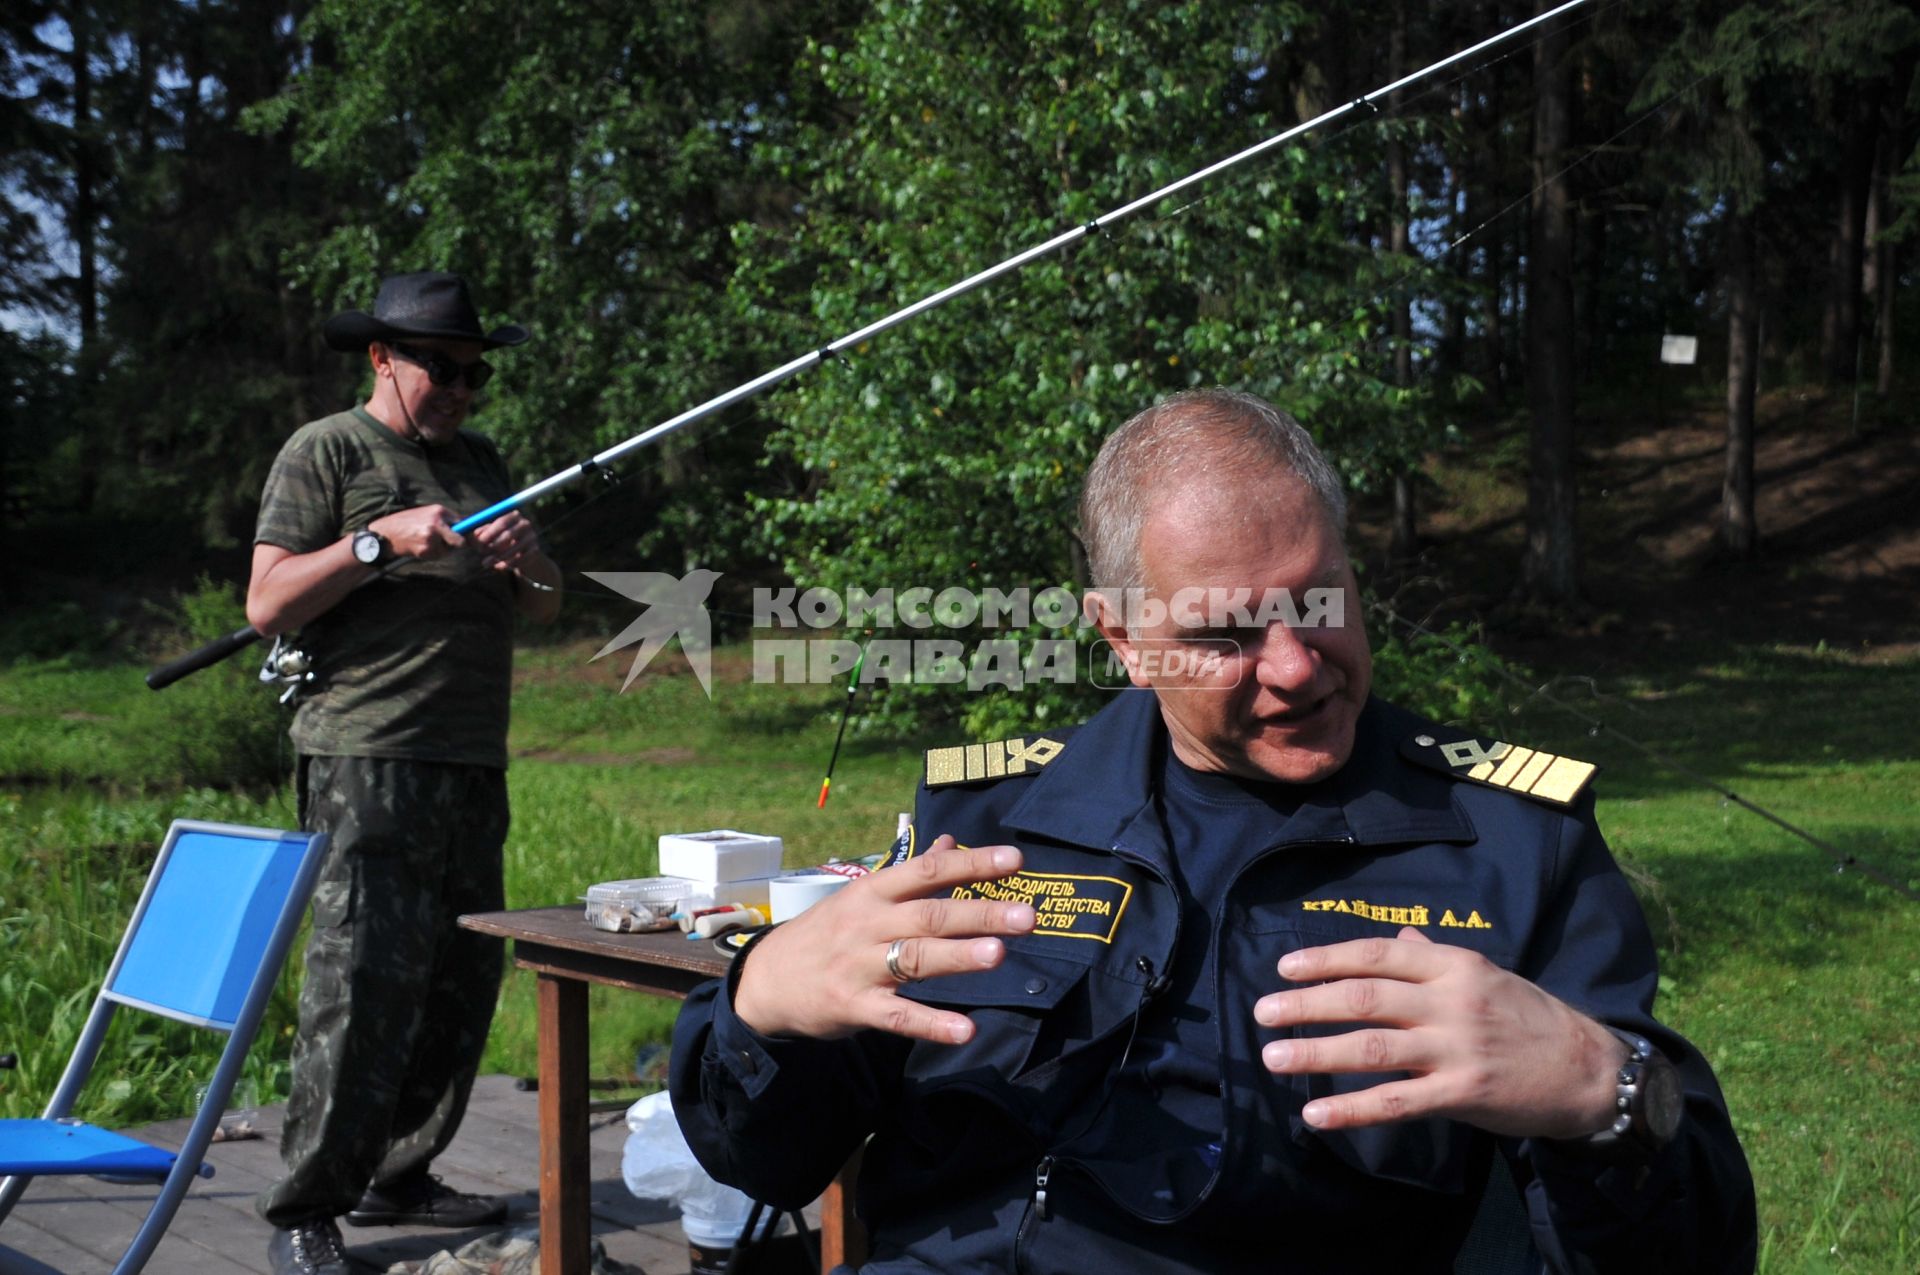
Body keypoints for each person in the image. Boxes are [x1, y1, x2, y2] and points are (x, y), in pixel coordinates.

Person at [669, 388, 1756, 1273]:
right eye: (1227, 632)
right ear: (1123, 638)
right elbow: (761, 1163)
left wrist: (1603, 1091)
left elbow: (1693, 1248)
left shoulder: (1509, 841)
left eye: (1319, 601)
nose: (1293, 666)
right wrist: (759, 1007)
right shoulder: (989, 815)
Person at [247, 272, 562, 1275]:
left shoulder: (480, 460)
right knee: (360, 980)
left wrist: (531, 564)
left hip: (472, 759)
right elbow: (268, 601)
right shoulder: (328, 450)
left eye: (478, 374)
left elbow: (547, 606)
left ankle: (401, 1170)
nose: (465, 390)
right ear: (382, 357)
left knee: (459, 979)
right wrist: (379, 539)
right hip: (367, 754)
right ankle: (309, 1206)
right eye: (447, 369)